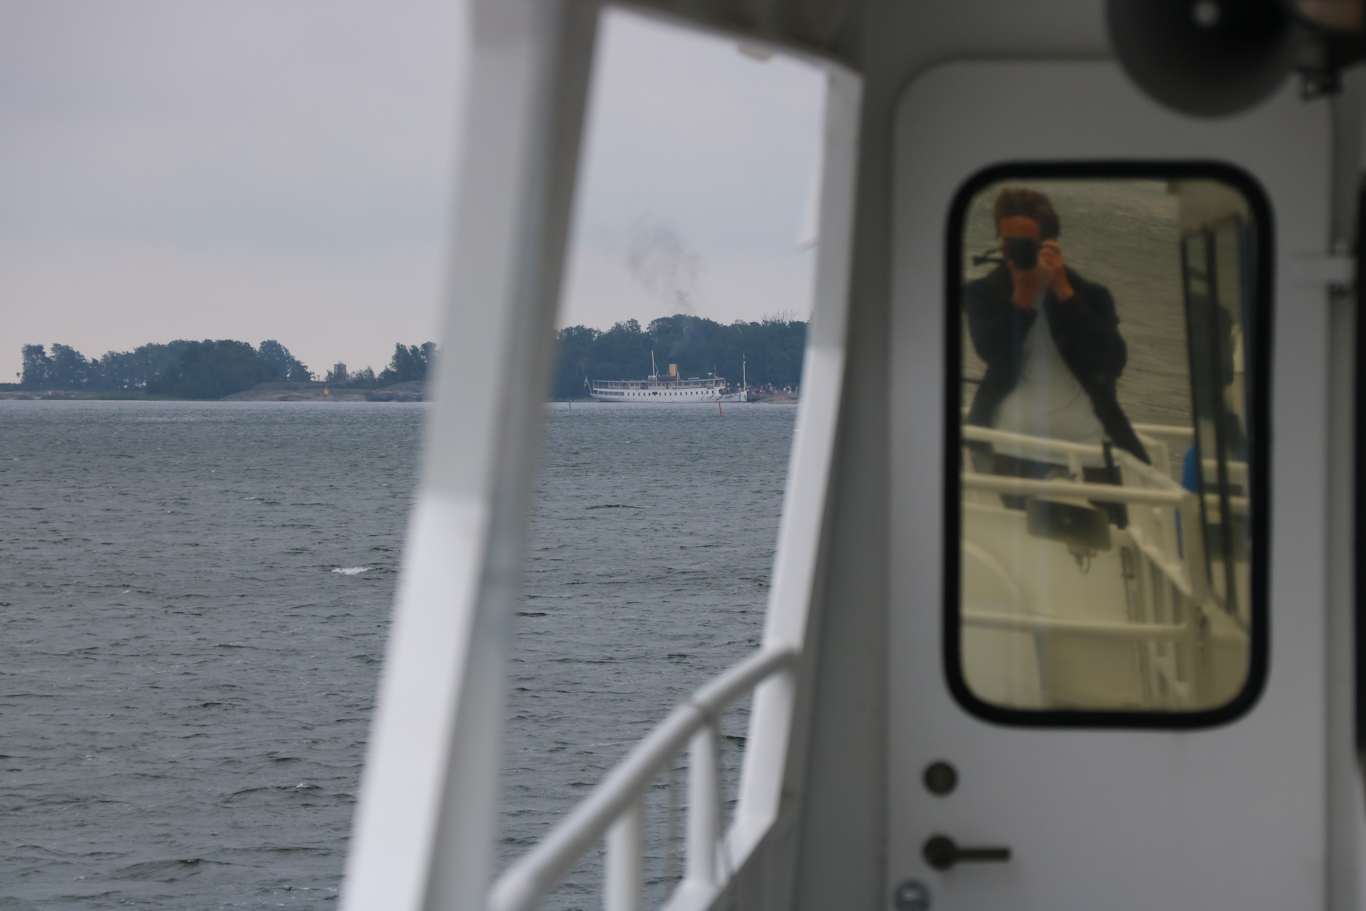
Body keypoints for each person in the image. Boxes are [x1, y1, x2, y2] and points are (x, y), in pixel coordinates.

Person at [964, 188, 1149, 476]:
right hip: (1010, 450)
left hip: (1090, 455)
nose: (1015, 251)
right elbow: (991, 351)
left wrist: (1064, 292)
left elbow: (1114, 360)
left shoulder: (1091, 296)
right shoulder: (983, 293)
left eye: (1026, 243)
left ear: (1051, 244)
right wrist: (1022, 300)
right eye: (1008, 243)